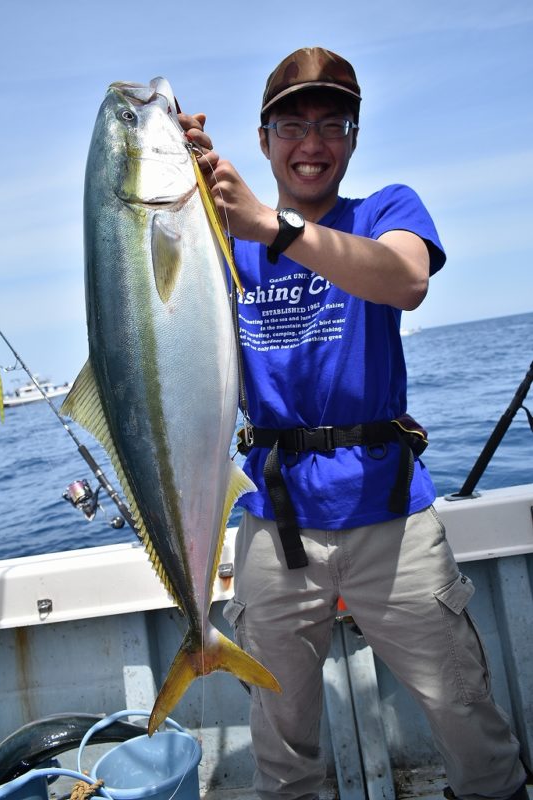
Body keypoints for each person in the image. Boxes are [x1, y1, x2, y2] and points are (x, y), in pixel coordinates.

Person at [180, 47, 528, 800]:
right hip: (275, 524)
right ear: (264, 137)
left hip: (390, 518)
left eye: (332, 122)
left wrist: (274, 227)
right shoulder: (219, 236)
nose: (313, 141)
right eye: (293, 123)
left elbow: (405, 280)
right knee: (280, 742)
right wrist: (178, 177)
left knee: (464, 713)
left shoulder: (385, 211)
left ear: (355, 137)